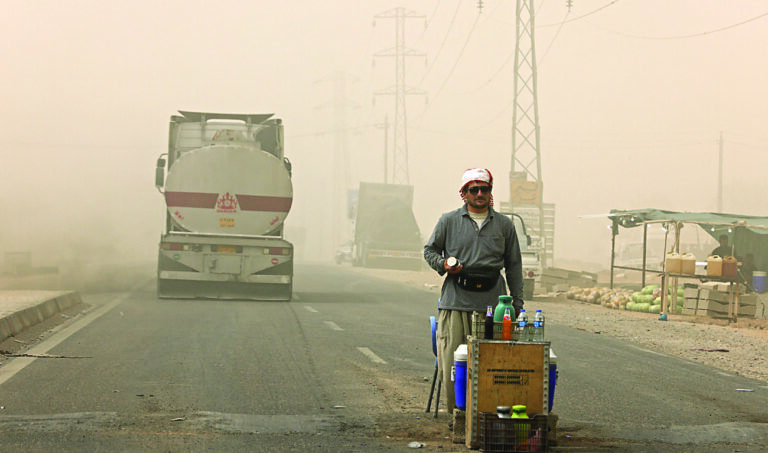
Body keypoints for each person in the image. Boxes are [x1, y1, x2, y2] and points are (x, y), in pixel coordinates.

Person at [423, 168, 525, 415]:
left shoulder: (504, 225)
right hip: (456, 302)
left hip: (494, 306)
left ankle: (488, 415)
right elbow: (430, 251)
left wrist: (517, 304)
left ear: (490, 192)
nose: (480, 194)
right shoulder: (448, 221)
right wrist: (444, 264)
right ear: (465, 193)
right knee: (454, 365)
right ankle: (458, 415)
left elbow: (514, 266)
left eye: (484, 189)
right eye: (474, 189)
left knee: (494, 364)